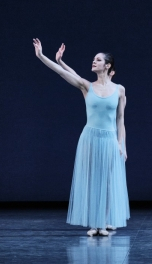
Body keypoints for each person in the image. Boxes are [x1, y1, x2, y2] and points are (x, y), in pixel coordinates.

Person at [33, 39, 130, 236]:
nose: (93, 61)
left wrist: (123, 145)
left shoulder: (119, 90)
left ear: (108, 65)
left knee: (109, 181)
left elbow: (120, 119)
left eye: (98, 60)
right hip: (90, 138)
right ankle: (96, 224)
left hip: (110, 139)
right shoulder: (87, 86)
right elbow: (63, 73)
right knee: (94, 179)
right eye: (93, 59)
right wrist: (42, 56)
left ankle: (104, 221)